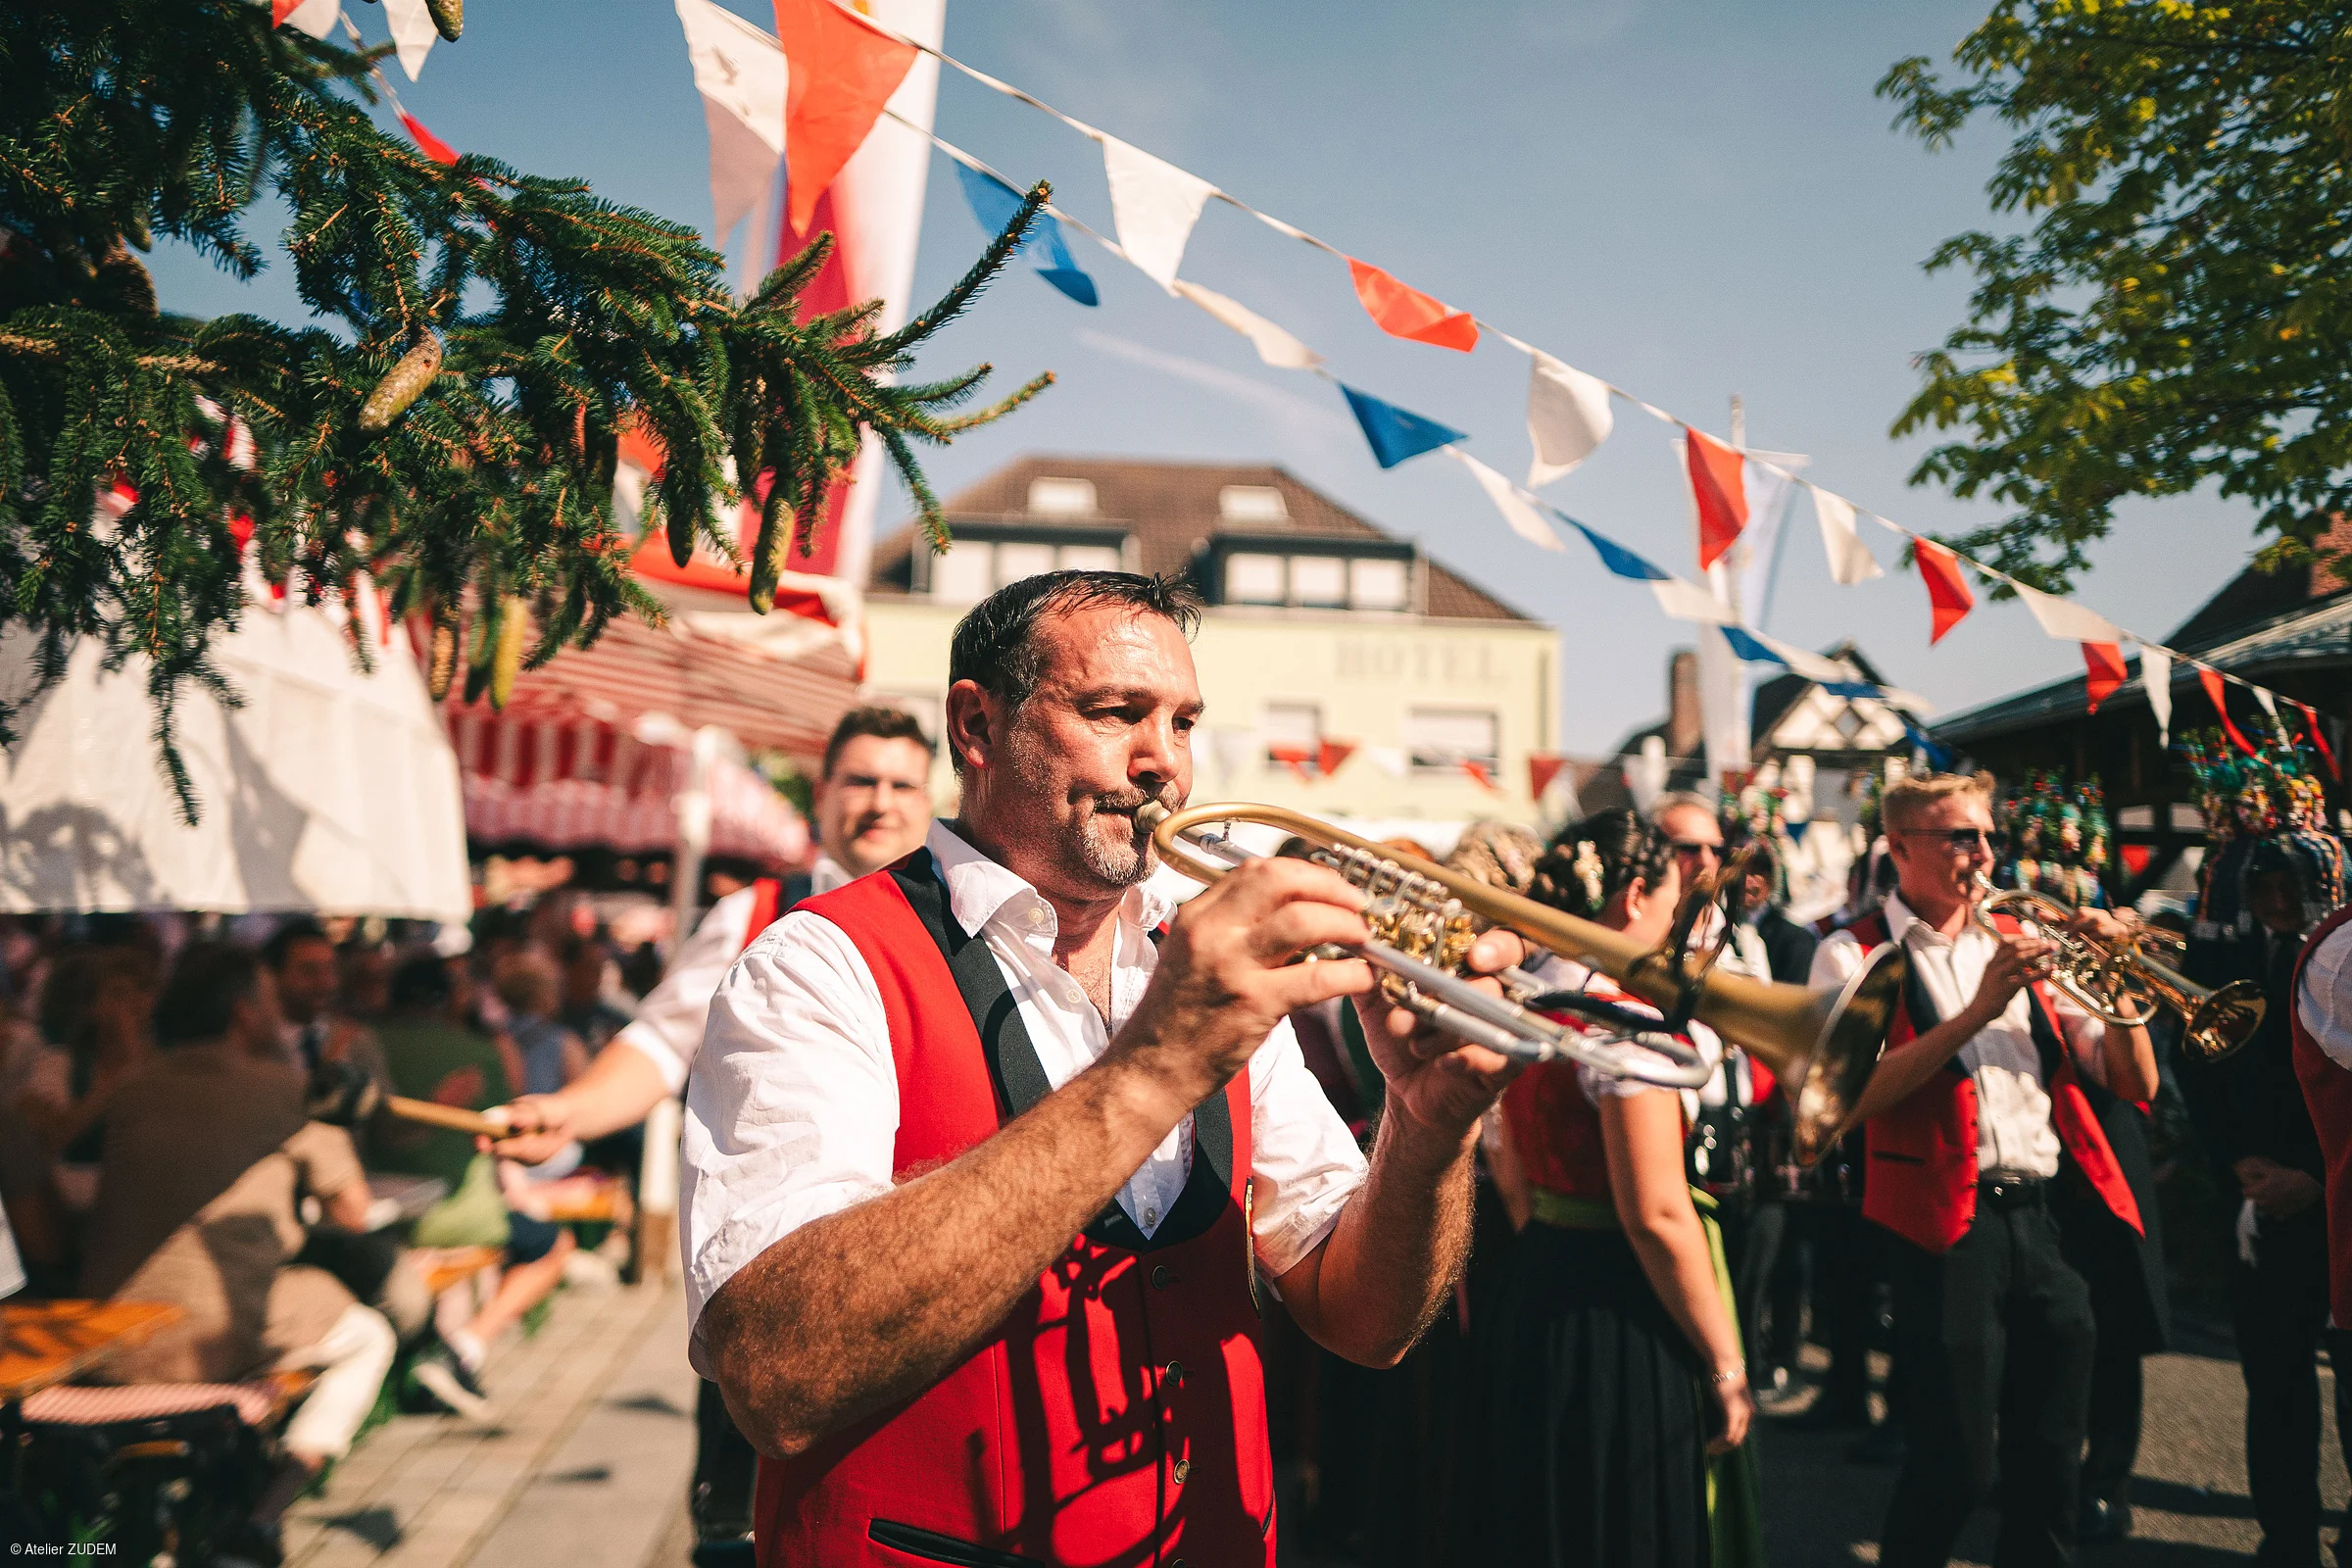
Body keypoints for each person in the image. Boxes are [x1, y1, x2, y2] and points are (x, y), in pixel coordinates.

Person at [683, 570, 1523, 1564]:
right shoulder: (818, 961)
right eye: (1116, 712)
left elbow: (1366, 1321)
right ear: (976, 726)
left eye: (1182, 723)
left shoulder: (1202, 955)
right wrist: (1154, 1067)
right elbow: (779, 1373)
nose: (1161, 761)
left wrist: (1425, 1132)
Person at [487, 704, 936, 1552]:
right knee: (741, 1531)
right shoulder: (753, 913)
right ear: (823, 794)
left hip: (916, 1268)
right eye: (860, 781)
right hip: (770, 1283)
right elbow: (661, 1042)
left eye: (901, 784)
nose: (880, 801)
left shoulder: (959, 920)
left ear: (930, 797)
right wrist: (568, 1112)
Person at [1815, 771, 2157, 1568]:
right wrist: (1975, 1011)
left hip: (2045, 1220)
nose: (1984, 853)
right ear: (1900, 846)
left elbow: (2129, 1080)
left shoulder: (2016, 935)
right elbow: (1846, 1101)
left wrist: (2123, 983)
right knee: (1956, 1469)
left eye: (1987, 836)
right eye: (1960, 836)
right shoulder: (1852, 951)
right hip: (1941, 1227)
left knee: (2049, 1473)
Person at [1458, 809, 1759, 1568]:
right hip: (1618, 1308)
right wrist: (1726, 1364)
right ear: (1631, 898)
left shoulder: (1524, 997)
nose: (1670, 925)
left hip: (1537, 1288)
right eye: (1667, 902)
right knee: (1624, 1525)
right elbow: (1657, 1214)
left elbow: (1517, 1181)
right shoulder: (1623, 1022)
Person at [77, 943, 397, 1566]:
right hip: (214, 1338)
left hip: (105, 1340)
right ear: (246, 1014)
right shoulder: (292, 1091)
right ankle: (262, 1514)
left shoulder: (135, 1085)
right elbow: (354, 1212)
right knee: (370, 1335)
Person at [2180, 833, 2343, 1564]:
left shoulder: (2341, 957)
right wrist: (2237, 1165)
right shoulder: (2220, 956)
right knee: (2272, 1379)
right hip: (2253, 1198)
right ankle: (2287, 1537)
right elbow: (2199, 1072)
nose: (2278, 901)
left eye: (2291, 886)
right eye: (2262, 887)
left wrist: (2314, 1174)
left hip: (2334, 1196)